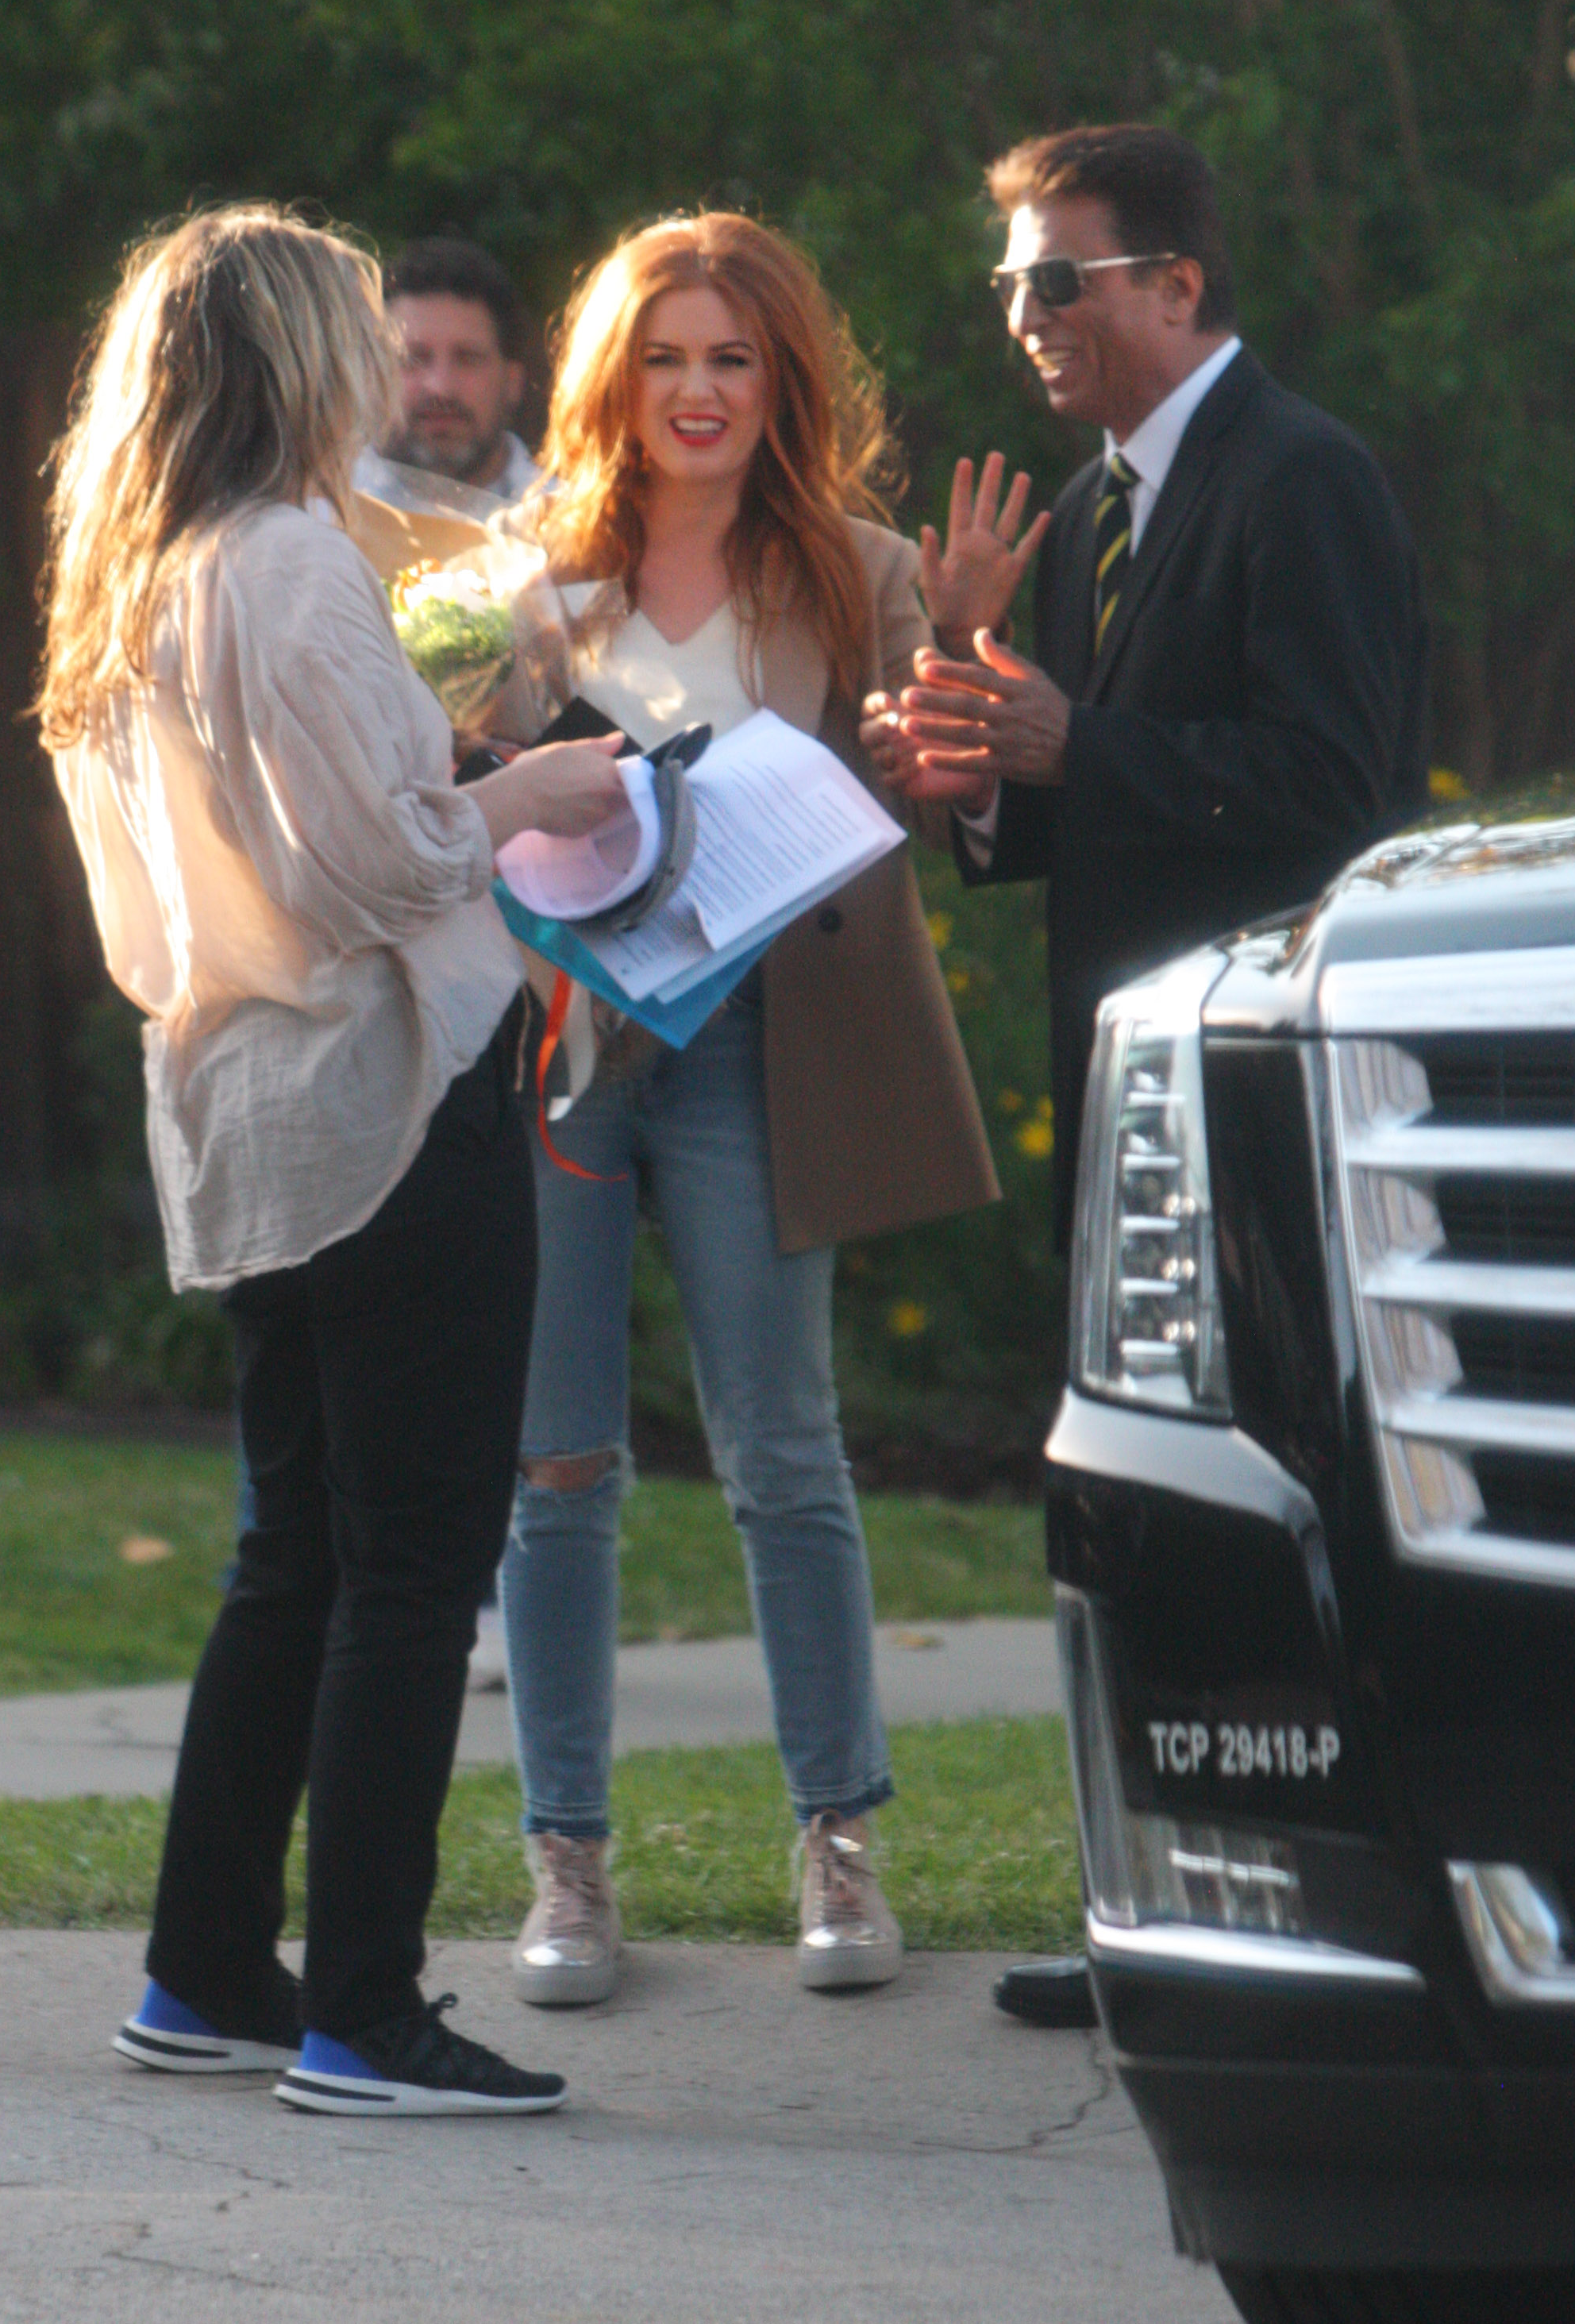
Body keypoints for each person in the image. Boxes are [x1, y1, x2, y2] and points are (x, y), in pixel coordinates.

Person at [38, 203, 626, 2114]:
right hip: (381, 1100)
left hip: (244, 1106)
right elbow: (384, 858)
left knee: (292, 1551)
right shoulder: (288, 562)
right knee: (410, 1564)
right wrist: (527, 786)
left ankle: (206, 1967)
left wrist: (451, 738)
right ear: (296, 356)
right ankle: (365, 2011)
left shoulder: (140, 573)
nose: (385, 371)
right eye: (360, 335)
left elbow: (229, 870)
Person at [864, 123, 1431, 2025]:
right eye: (1006, 284)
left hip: (1261, 1108)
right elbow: (1062, 803)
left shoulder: (1298, 479)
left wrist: (1068, 741)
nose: (1018, 315)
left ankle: (1300, 1927)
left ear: (1173, 284)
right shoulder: (1095, 501)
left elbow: (1333, 793)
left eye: (1054, 278)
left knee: (1259, 1520)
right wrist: (967, 764)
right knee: (1132, 1518)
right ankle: (1162, 1910)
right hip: (1130, 1096)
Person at [492, 211, 1031, 2008]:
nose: (697, 391)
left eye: (729, 357)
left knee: (782, 1452)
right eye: (664, 359)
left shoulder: (857, 571)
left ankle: (839, 1839)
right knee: (556, 1464)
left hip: (759, 1050)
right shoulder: (530, 582)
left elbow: (948, 803)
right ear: (615, 381)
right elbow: (460, 810)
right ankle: (567, 1862)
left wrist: (959, 661)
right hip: (568, 1050)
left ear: (782, 377)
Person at [354, 237, 545, 506]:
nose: (440, 387)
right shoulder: (321, 511)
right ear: (372, 375)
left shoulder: (573, 521)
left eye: (468, 359)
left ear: (513, 381)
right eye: (412, 359)